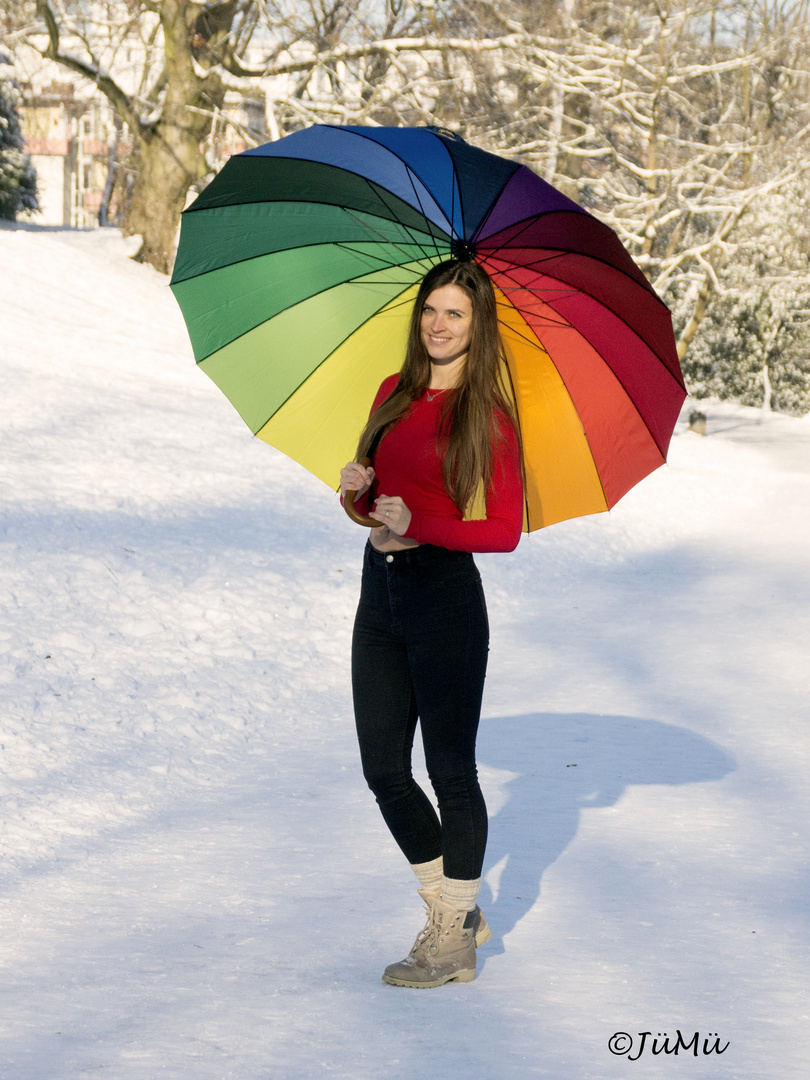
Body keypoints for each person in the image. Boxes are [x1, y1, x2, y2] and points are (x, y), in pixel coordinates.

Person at [339, 259, 524, 988]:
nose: (438, 325)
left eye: (455, 314)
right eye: (431, 311)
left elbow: (503, 530)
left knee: (451, 771)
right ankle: (451, 906)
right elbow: (374, 503)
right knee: (383, 767)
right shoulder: (394, 393)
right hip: (379, 592)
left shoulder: (487, 416)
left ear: (478, 328)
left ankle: (452, 938)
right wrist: (357, 492)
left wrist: (424, 525)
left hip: (445, 595)